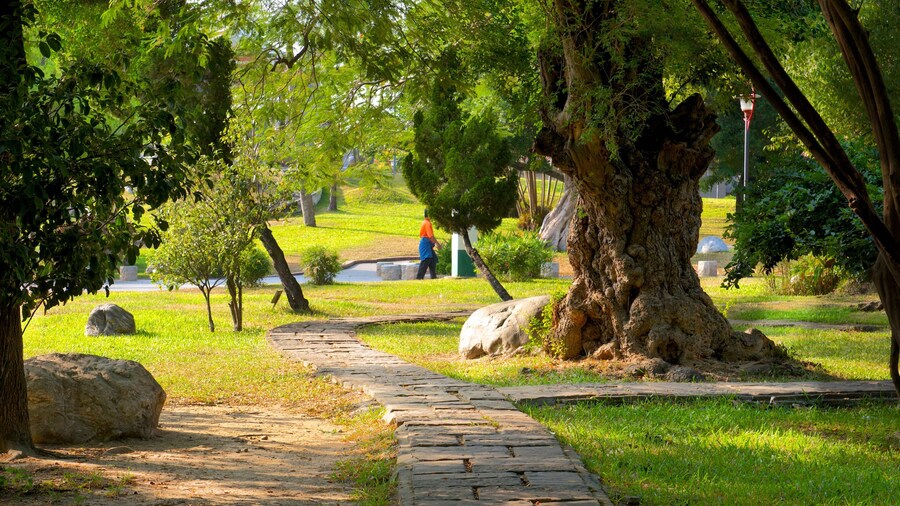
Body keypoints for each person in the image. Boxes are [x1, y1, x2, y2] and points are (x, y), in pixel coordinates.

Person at [417, 209, 438, 279]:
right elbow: (431, 236)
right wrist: (438, 244)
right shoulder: (427, 223)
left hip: (428, 244)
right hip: (425, 243)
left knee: (433, 259)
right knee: (426, 260)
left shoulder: (426, 222)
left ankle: (433, 277)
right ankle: (419, 278)